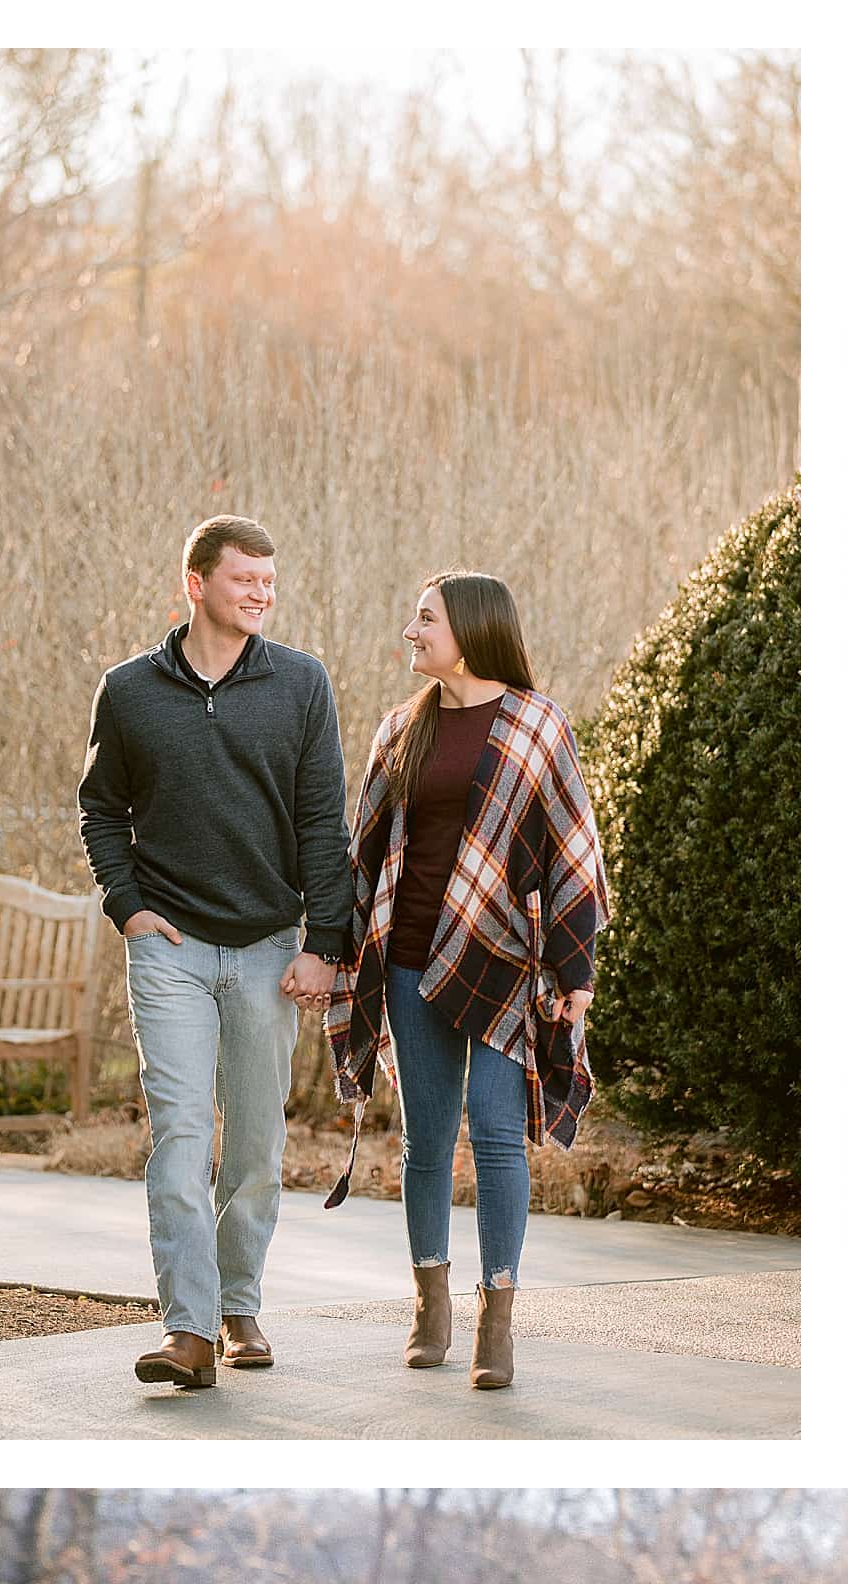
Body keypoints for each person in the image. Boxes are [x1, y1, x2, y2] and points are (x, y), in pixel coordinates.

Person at [78, 514, 354, 1390]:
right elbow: (100, 811)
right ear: (195, 584)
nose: (261, 594)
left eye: (269, 581)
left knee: (257, 1147)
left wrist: (325, 944)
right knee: (181, 1134)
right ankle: (188, 1330)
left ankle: (241, 1305)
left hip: (270, 947)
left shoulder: (302, 685)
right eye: (245, 580)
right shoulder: (127, 692)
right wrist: (126, 905)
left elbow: (322, 823)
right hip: (171, 948)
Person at [323, 573, 606, 1393]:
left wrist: (574, 971)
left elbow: (573, 855)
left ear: (472, 630)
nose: (411, 629)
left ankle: (498, 1317)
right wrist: (329, 949)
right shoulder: (398, 730)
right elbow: (360, 854)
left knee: (494, 1133)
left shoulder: (536, 726)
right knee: (424, 1142)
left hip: (506, 966)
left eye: (426, 617)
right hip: (409, 960)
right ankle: (429, 1304)